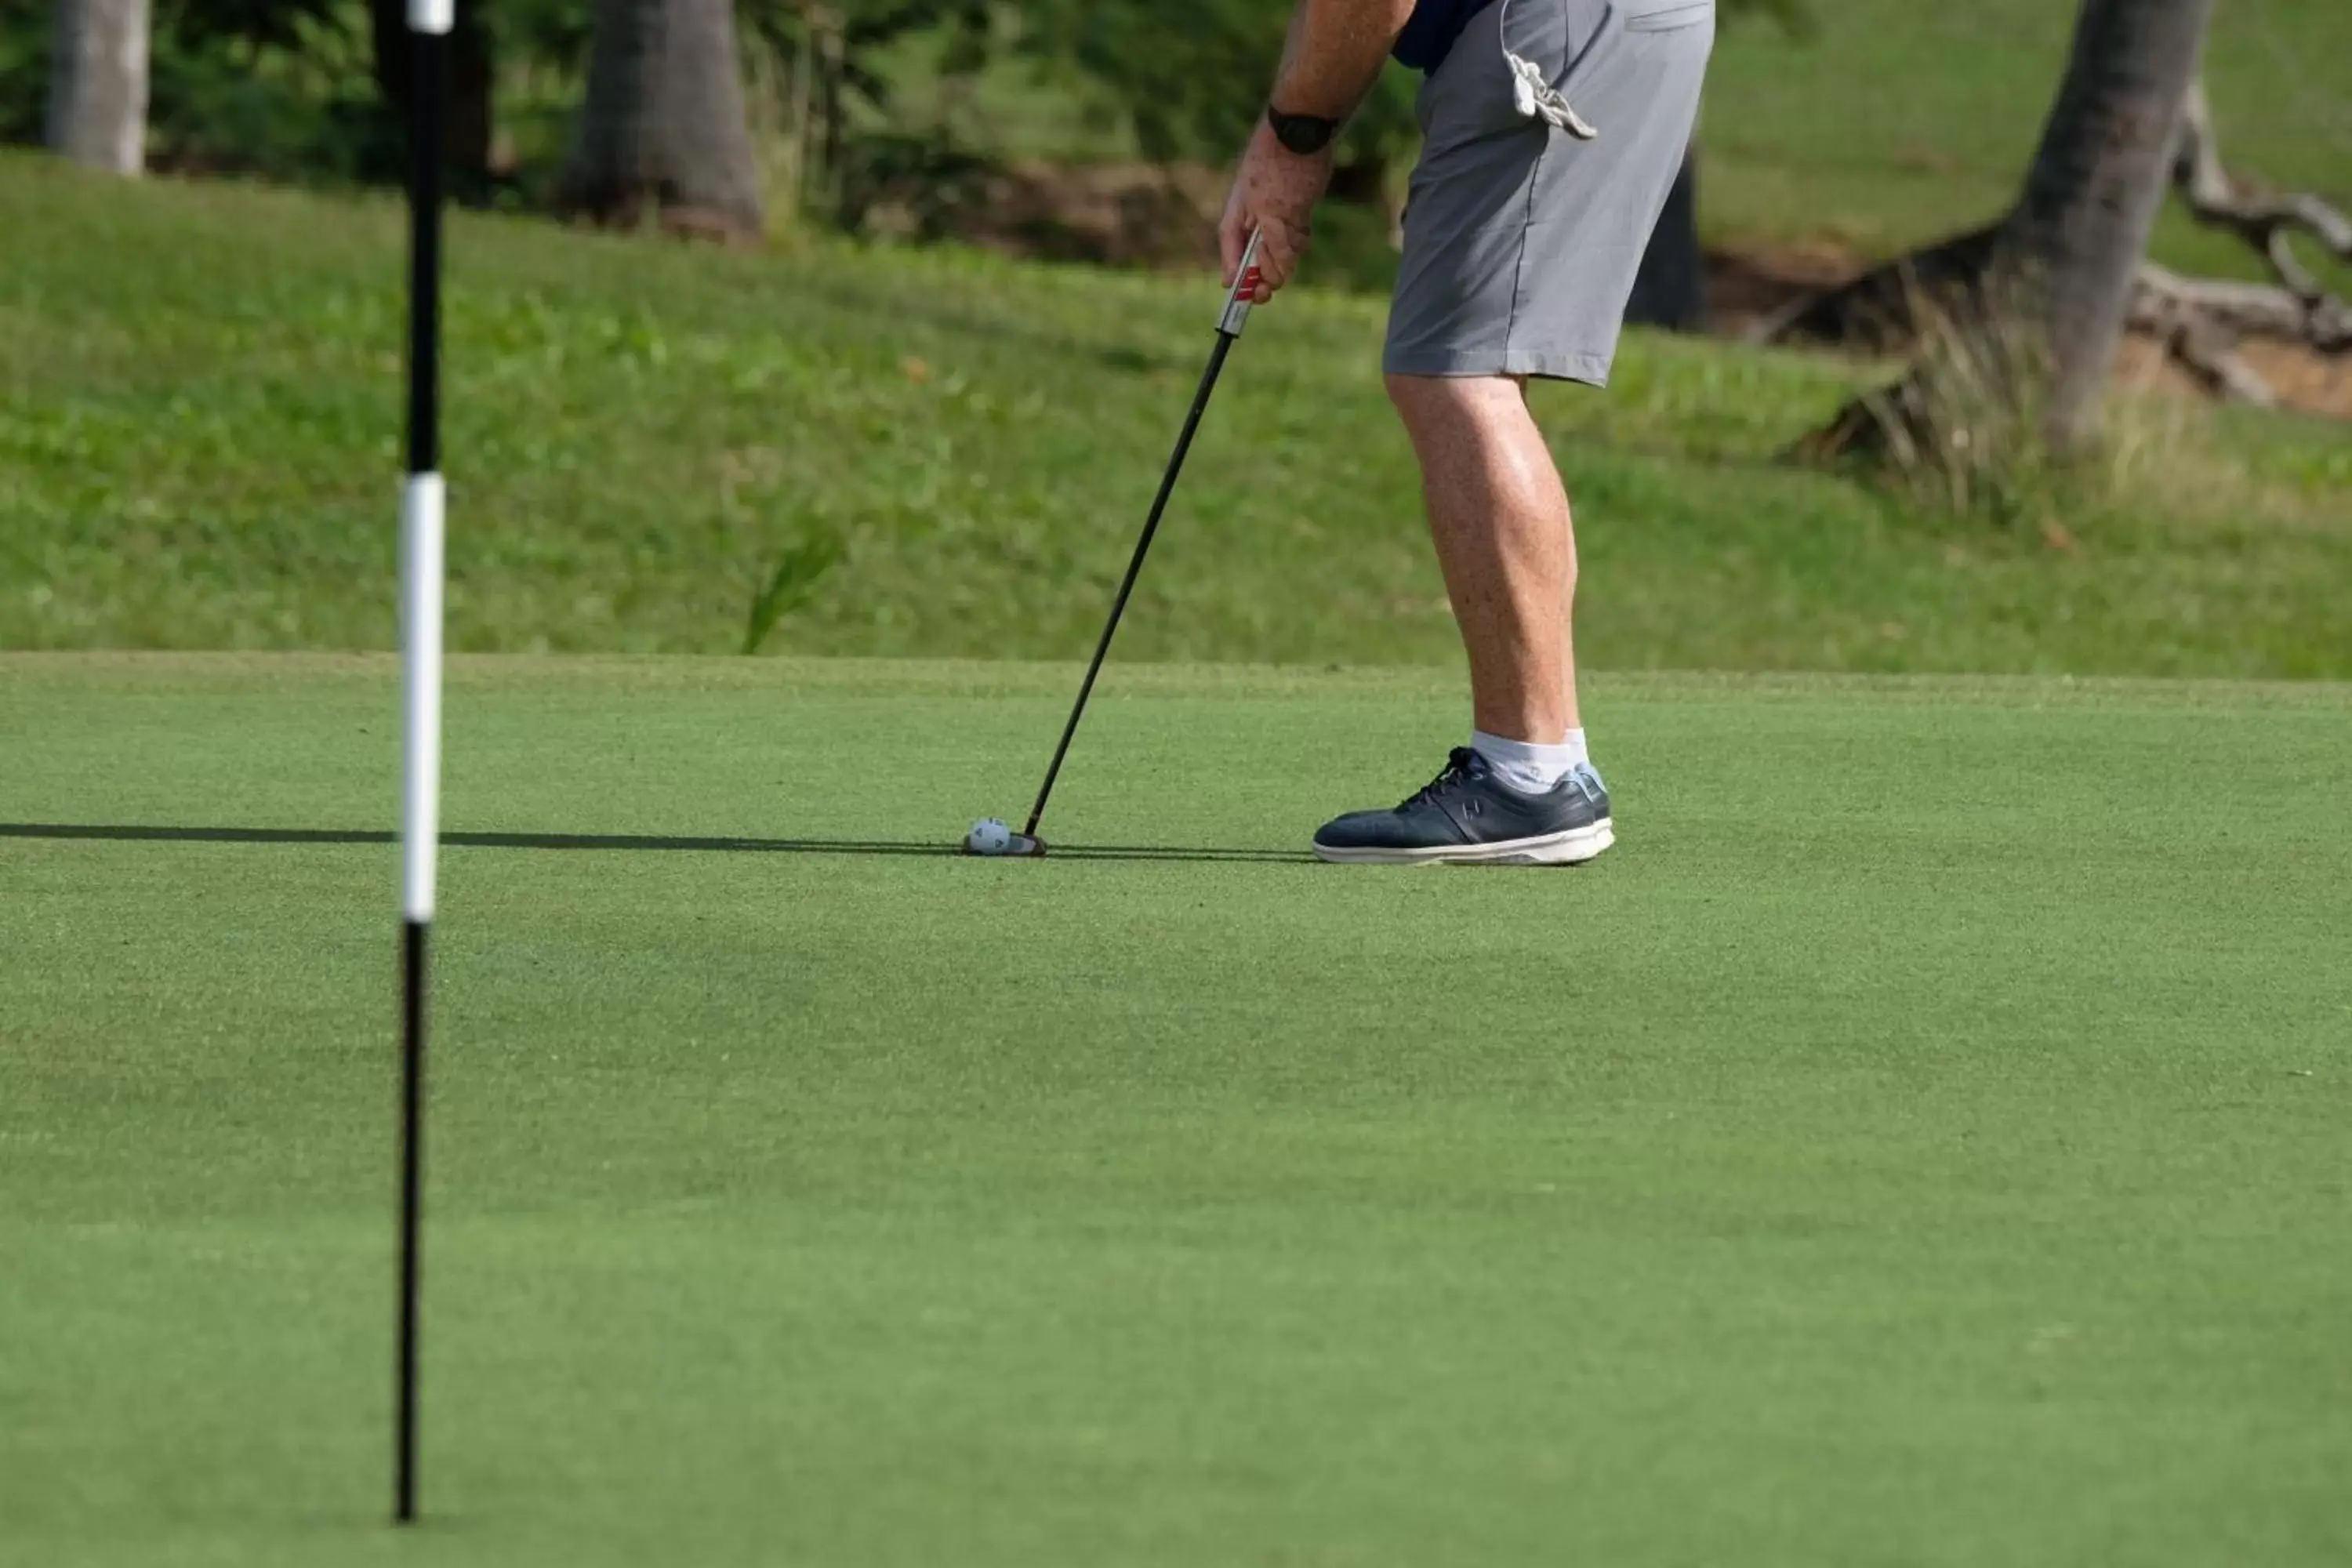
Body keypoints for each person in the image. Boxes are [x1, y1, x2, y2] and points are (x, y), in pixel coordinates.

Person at [1221, 0, 1714, 865]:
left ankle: (1529, 776)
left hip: (1546, 24)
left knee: (1457, 369)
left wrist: (1292, 139)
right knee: (1461, 365)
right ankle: (1547, 761)